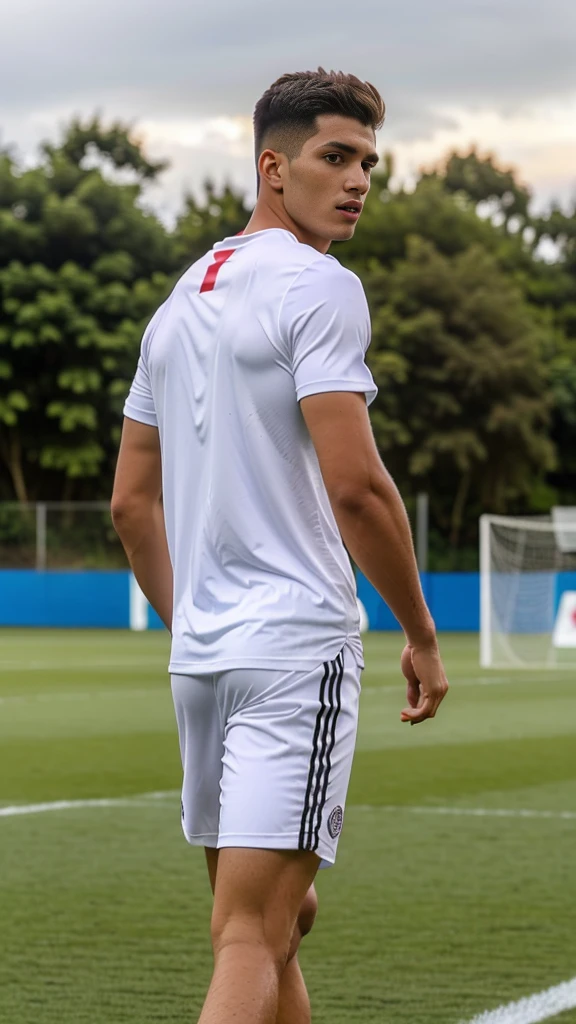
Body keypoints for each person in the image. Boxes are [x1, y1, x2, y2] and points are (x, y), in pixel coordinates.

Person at [112, 67, 449, 1024]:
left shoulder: (178, 307)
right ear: (273, 167)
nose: (357, 182)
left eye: (368, 165)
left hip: (205, 665)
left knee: (270, 925)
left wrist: (198, 624)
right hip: (296, 651)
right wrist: (420, 633)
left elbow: (131, 505)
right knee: (251, 935)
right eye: (334, 157)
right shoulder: (321, 288)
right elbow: (357, 485)